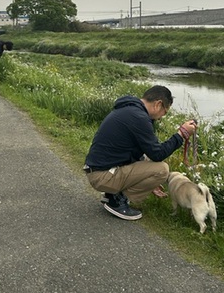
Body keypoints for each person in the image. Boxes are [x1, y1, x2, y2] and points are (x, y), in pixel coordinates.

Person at [84, 85, 197, 221]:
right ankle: (117, 200)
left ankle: (112, 194)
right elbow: (158, 154)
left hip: (100, 170)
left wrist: (147, 180)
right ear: (158, 104)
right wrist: (181, 134)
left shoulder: (130, 110)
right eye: (164, 112)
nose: (161, 118)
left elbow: (146, 153)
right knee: (161, 170)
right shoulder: (139, 117)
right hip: (102, 176)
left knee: (148, 161)